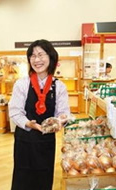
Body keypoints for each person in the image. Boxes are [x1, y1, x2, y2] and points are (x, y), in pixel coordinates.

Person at [8, 39, 71, 190]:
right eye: (33, 56)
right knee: (22, 177)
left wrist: (62, 120)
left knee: (44, 177)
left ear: (51, 57)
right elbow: (15, 111)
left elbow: (63, 112)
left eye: (41, 55)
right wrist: (29, 123)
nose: (37, 60)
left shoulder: (59, 86)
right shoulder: (22, 84)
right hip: (25, 139)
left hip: (46, 141)